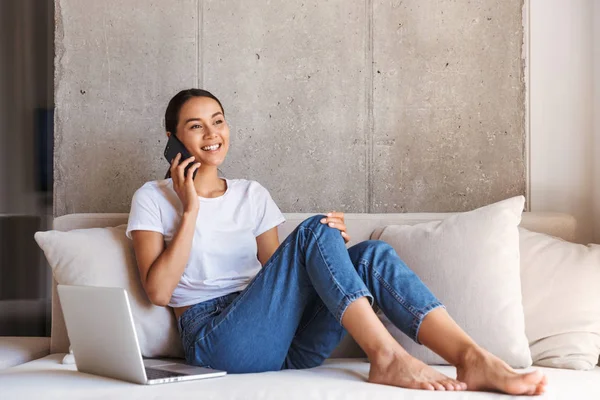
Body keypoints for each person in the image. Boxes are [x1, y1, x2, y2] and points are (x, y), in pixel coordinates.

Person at [126, 89, 547, 394]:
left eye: (218, 120)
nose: (212, 133)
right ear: (172, 138)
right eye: (195, 125)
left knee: (369, 255)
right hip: (217, 341)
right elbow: (159, 292)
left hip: (282, 343)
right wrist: (191, 211)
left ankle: (472, 357)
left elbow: (279, 278)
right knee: (314, 230)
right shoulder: (153, 198)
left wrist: (327, 252)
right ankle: (387, 358)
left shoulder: (252, 194)